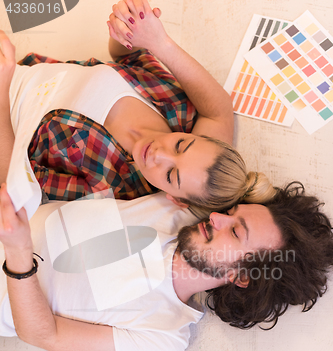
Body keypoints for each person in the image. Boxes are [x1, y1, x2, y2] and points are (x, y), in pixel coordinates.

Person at [0, 181, 332, 351]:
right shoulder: (179, 210)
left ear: (241, 277)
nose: (216, 218)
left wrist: (18, 253)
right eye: (231, 214)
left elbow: (43, 335)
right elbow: (216, 118)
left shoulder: (164, 336)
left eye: (234, 230)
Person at [1, 1, 276, 216]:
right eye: (180, 145)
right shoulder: (174, 104)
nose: (160, 154)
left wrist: (3, 90)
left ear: (175, 200)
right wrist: (134, 29)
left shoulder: (111, 188)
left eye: (171, 174)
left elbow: (16, 186)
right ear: (193, 135)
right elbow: (125, 55)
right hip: (18, 64)